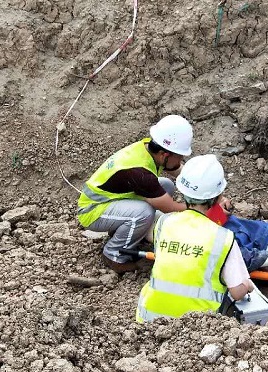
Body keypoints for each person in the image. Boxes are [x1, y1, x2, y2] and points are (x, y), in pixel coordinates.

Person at [137, 155, 253, 323]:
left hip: (149, 321)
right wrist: (247, 285)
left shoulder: (164, 222)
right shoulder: (223, 238)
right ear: (218, 196)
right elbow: (237, 292)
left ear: (182, 191)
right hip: (196, 326)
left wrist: (218, 214)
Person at [76, 115, 193, 273]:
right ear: (165, 155)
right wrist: (200, 208)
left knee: (166, 185)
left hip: (111, 201)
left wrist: (209, 191)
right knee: (144, 213)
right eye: (180, 156)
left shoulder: (148, 148)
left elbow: (181, 172)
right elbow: (170, 208)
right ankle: (113, 255)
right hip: (92, 211)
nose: (181, 160)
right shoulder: (140, 173)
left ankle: (130, 231)